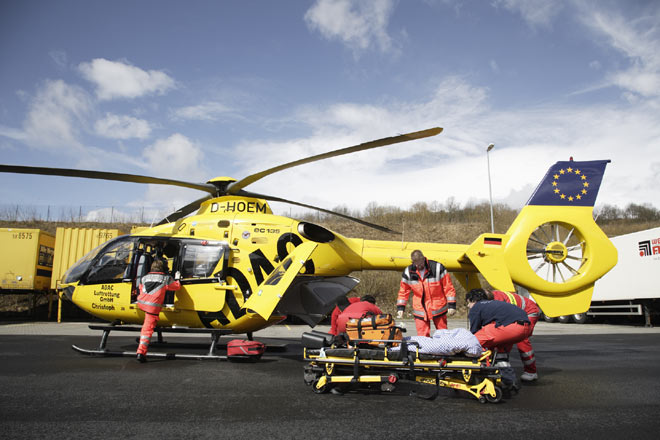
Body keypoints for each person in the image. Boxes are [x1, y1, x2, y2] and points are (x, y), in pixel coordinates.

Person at [466, 289, 532, 389]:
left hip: (512, 327)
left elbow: (474, 332)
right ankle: (509, 379)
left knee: (473, 342)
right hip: (526, 327)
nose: (468, 306)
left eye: (468, 303)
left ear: (472, 300)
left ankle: (479, 373)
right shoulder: (494, 304)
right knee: (499, 349)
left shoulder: (476, 307)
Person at [484, 288, 541, 382]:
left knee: (522, 339)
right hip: (517, 313)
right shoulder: (491, 299)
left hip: (529, 311)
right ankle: (503, 367)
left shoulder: (497, 303)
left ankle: (531, 372)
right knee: (505, 338)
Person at [396, 250, 456, 337]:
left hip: (438, 307)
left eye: (420, 264)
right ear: (412, 262)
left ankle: (443, 349)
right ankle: (424, 351)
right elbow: (403, 291)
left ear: (423, 259)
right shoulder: (408, 272)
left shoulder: (437, 268)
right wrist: (401, 308)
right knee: (422, 336)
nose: (418, 266)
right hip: (420, 309)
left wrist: (452, 305)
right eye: (415, 264)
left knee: (443, 334)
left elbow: (448, 287)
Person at [136, 259, 181, 363]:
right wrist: (177, 278)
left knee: (148, 325)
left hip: (141, 304)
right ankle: (141, 352)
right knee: (147, 330)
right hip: (152, 307)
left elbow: (141, 288)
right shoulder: (166, 278)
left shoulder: (144, 278)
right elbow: (176, 287)